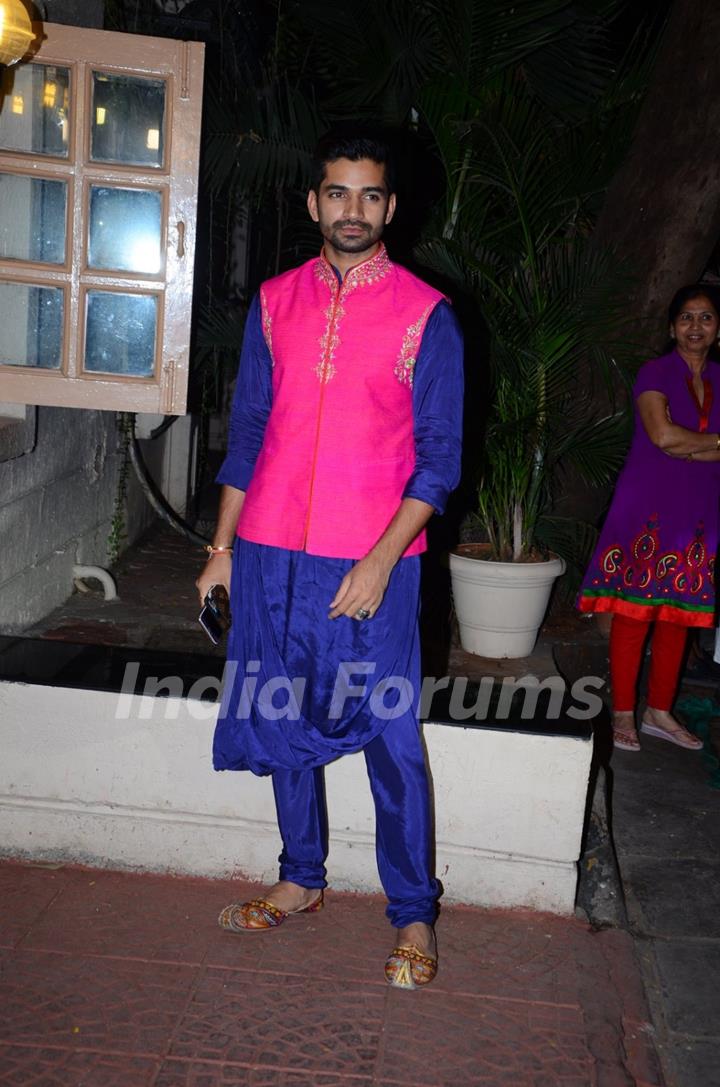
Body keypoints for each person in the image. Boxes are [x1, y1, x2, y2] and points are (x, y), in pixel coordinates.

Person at [196, 130, 464, 989]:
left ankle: (414, 910)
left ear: (391, 206)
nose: (354, 210)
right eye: (338, 194)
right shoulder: (275, 302)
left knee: (390, 731)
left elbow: (439, 459)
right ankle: (301, 875)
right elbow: (245, 434)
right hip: (271, 547)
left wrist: (384, 558)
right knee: (280, 713)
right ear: (313, 202)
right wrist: (221, 549)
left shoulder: (426, 314)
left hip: (373, 555)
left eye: (371, 196)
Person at [578, 284, 720, 752]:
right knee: (633, 613)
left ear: (718, 328)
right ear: (671, 327)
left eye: (705, 317)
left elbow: (683, 442)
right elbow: (663, 437)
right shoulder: (655, 372)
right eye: (686, 317)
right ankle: (622, 712)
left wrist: (694, 446)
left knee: (680, 615)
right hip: (648, 510)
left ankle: (659, 711)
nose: (694, 326)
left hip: (699, 510)